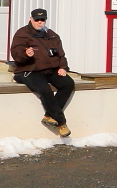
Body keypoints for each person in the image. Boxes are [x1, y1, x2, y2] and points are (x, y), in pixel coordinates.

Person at [11, 8, 75, 137]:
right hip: (28, 70)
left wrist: (63, 67)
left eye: (42, 20)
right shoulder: (22, 34)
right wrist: (25, 54)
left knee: (68, 84)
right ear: (31, 19)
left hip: (50, 69)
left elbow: (61, 54)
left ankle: (49, 116)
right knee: (45, 90)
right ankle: (61, 123)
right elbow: (16, 53)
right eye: (37, 20)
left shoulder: (51, 35)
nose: (40, 22)